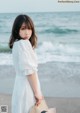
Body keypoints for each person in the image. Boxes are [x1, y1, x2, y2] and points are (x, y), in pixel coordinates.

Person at [9, 14, 44, 113]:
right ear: (17, 30)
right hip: (26, 87)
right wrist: (37, 92)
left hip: (19, 85)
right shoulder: (23, 44)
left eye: (29, 29)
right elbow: (30, 72)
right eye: (23, 28)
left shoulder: (17, 44)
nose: (27, 32)